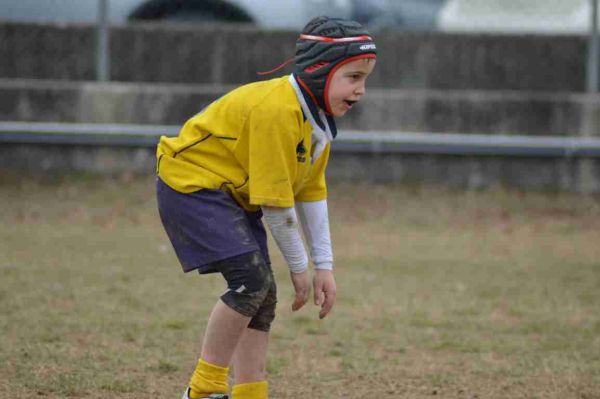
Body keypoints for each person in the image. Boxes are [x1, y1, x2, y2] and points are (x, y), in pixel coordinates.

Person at [155, 15, 377, 399]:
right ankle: (202, 390)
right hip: (192, 184)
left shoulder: (318, 122)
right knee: (250, 283)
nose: (361, 90)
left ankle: (250, 393)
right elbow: (276, 206)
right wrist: (300, 268)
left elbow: (310, 192)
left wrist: (324, 265)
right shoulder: (277, 111)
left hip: (232, 194)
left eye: (365, 79)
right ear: (320, 71)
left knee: (263, 294)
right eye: (353, 77)